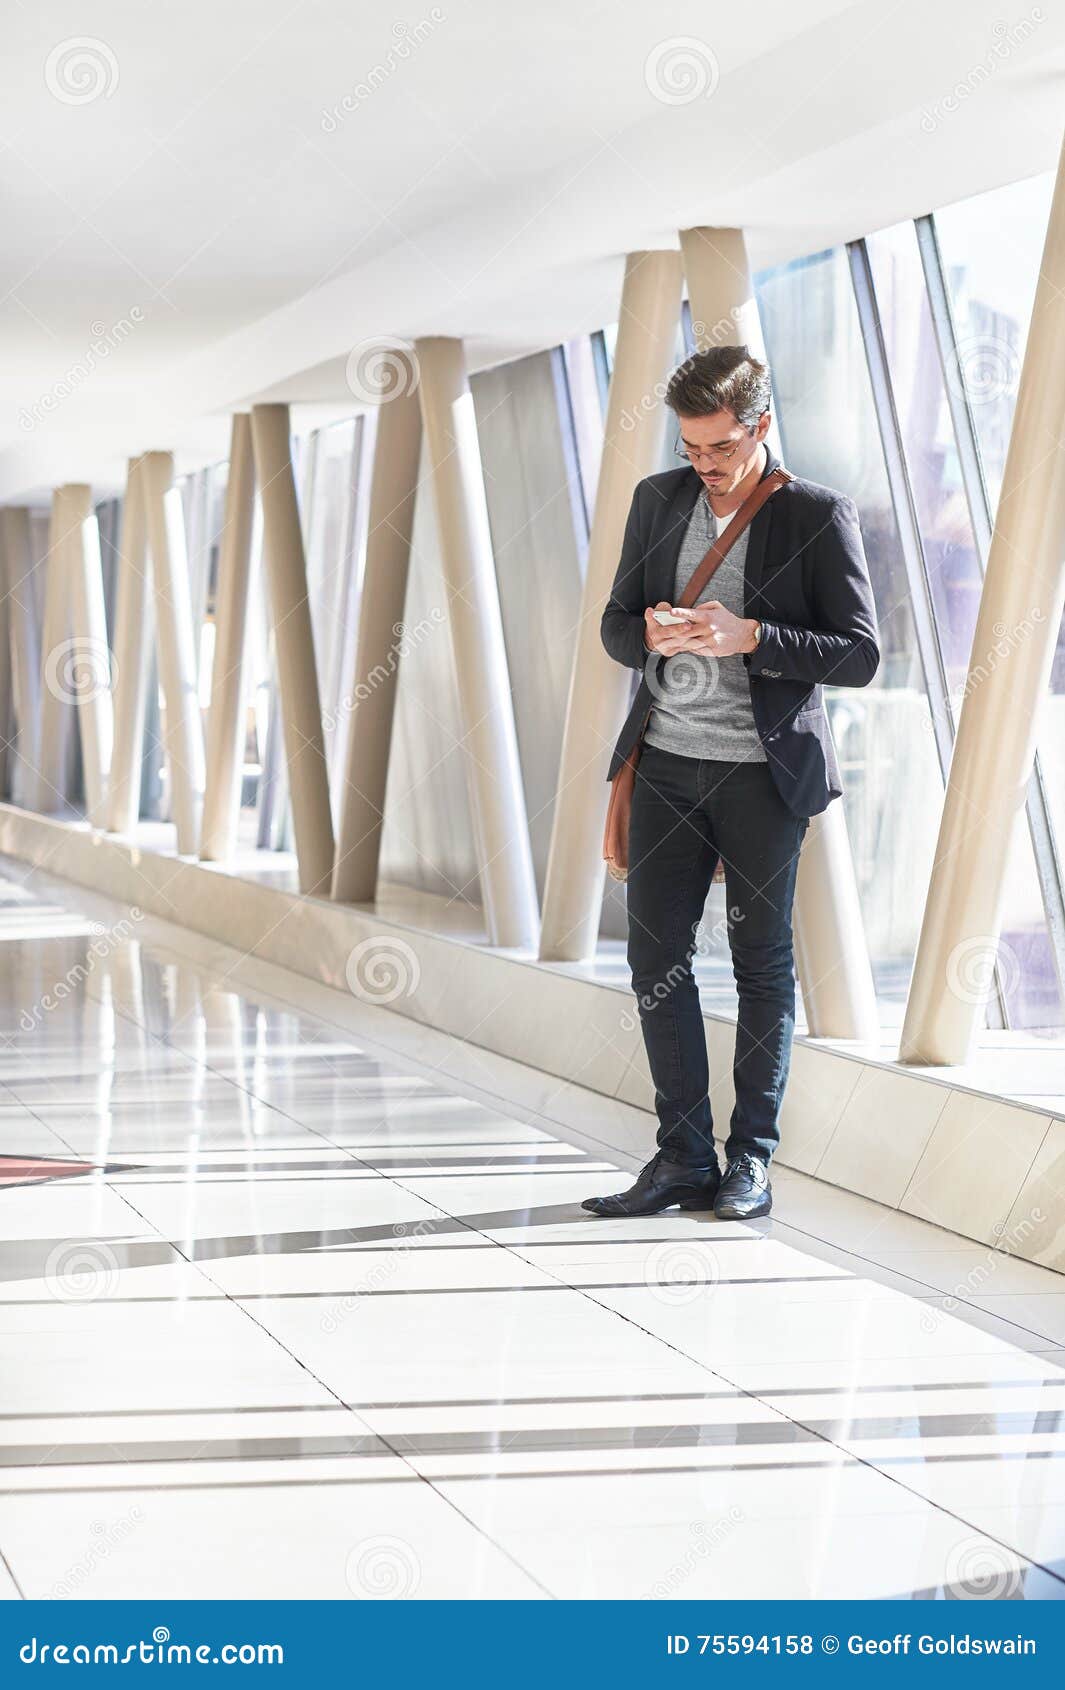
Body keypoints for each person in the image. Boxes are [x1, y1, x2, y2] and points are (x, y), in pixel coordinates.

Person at [583, 345, 879, 1222]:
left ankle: (748, 1159)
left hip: (763, 776)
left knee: (760, 966)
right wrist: (653, 637)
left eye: (718, 448)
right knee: (653, 962)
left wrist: (750, 636)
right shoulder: (657, 500)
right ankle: (680, 1159)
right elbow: (611, 625)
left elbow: (860, 653)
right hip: (666, 766)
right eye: (689, 448)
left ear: (759, 427)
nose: (703, 466)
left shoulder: (817, 516)